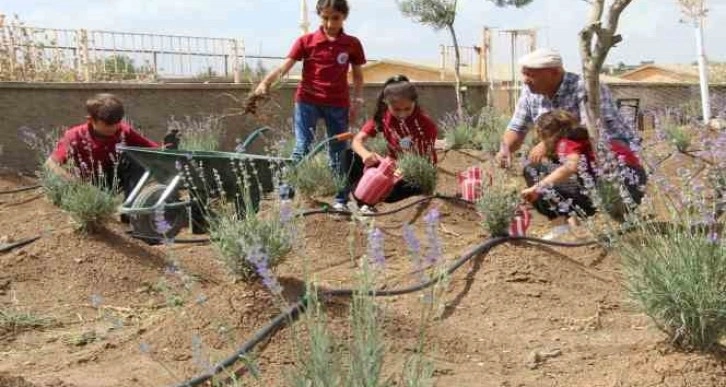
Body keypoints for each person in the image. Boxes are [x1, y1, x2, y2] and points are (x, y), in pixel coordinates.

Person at [255, 0, 366, 210]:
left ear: (344, 17)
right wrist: (265, 83)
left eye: (335, 18)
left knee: (337, 151)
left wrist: (357, 102)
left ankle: (341, 199)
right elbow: (285, 66)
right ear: (319, 16)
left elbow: (358, 77)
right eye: (325, 18)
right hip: (307, 102)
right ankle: (287, 194)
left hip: (338, 104)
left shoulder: (352, 44)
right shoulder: (306, 41)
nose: (330, 23)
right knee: (302, 147)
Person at [495, 48, 637, 169]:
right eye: (524, 74)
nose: (525, 80)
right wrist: (505, 148)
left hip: (612, 155)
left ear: (555, 73)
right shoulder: (530, 92)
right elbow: (517, 128)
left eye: (531, 75)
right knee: (534, 170)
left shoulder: (587, 88)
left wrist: (547, 144)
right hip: (568, 154)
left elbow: (592, 128)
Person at [520, 110, 647, 240]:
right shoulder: (584, 135)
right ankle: (628, 221)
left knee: (534, 172)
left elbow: (570, 166)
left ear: (547, 134)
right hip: (636, 178)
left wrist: (537, 187)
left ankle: (561, 229)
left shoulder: (566, 141)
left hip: (614, 182)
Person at [344, 75, 438, 213]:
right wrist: (366, 155)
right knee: (349, 156)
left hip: (414, 174)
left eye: (407, 109)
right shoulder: (383, 117)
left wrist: (395, 171)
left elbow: (422, 159)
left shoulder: (425, 124)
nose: (402, 114)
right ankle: (362, 203)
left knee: (393, 191)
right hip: (391, 168)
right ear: (386, 104)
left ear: (414, 103)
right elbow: (357, 141)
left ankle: (374, 196)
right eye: (396, 109)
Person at [45, 93, 159, 200]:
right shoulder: (75, 136)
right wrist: (81, 186)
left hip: (110, 181)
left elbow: (155, 151)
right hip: (84, 185)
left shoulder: (123, 131)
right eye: (108, 124)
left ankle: (130, 210)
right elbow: (51, 164)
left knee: (134, 159)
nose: (114, 128)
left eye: (117, 122)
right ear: (91, 120)